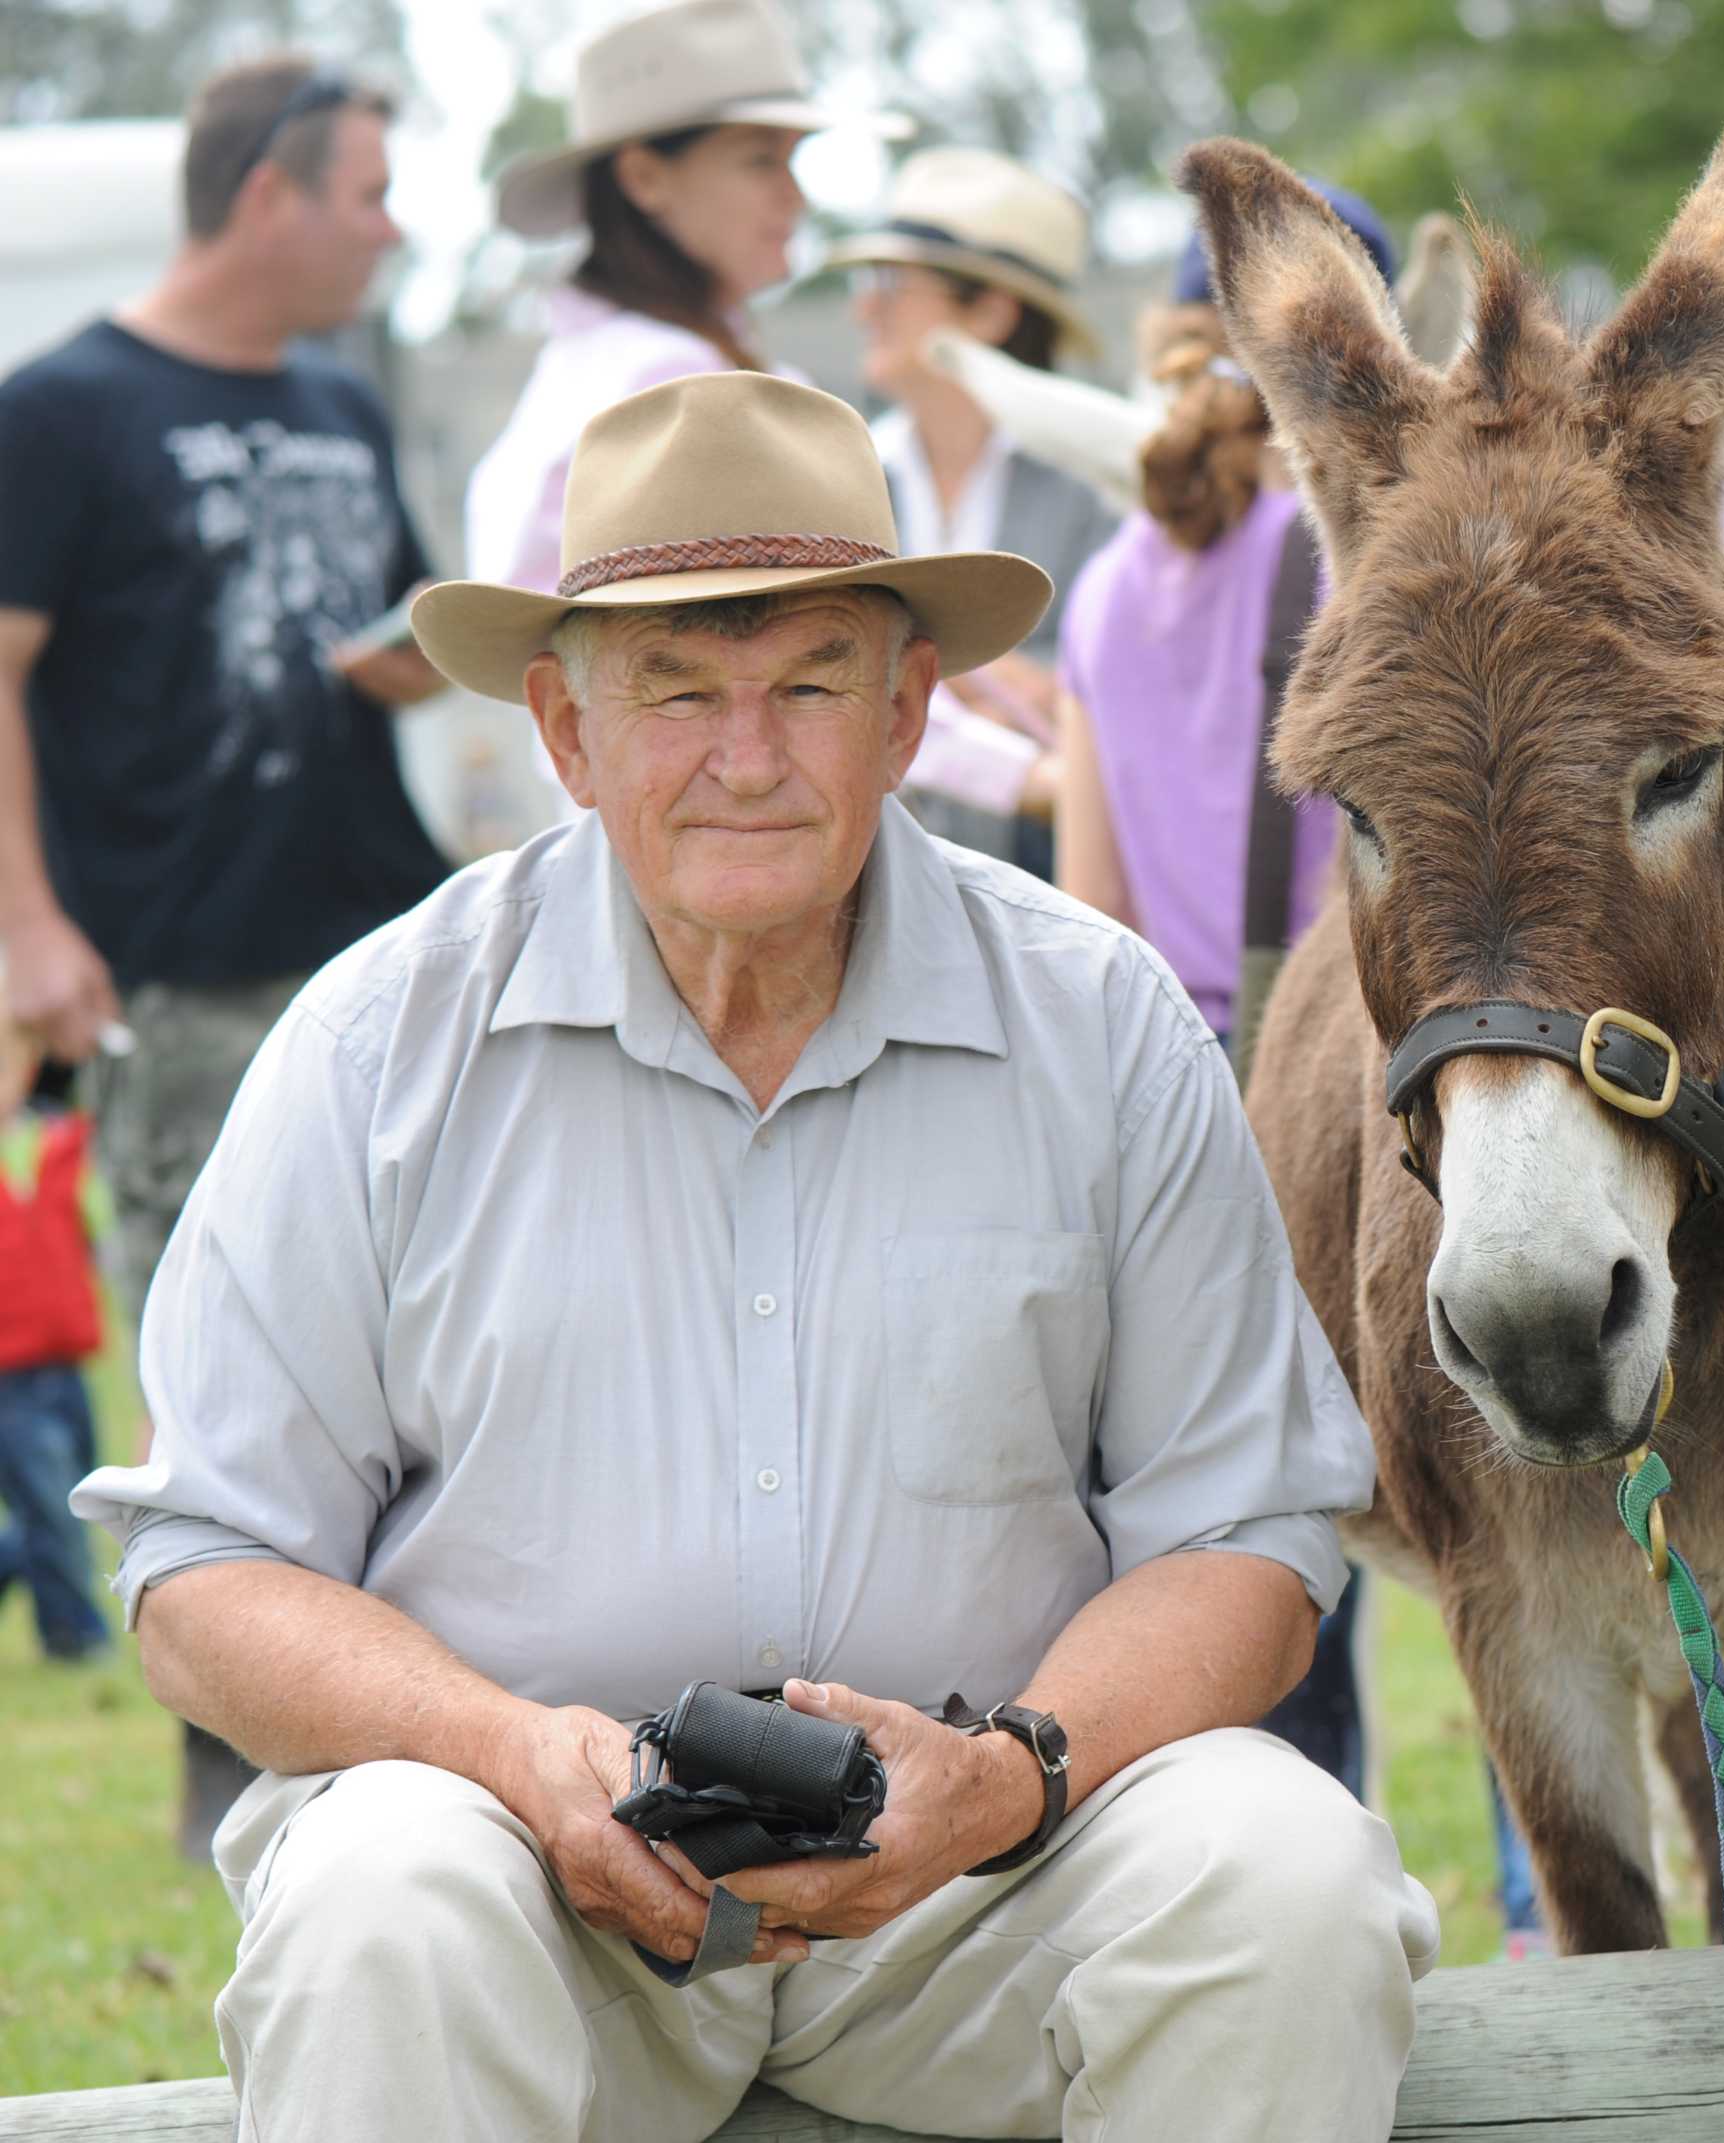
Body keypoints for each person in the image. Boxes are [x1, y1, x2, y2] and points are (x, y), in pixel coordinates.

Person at [72, 368, 1436, 2141]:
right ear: (563, 730)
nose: (746, 756)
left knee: (1285, 1873)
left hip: (983, 1884)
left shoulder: (1100, 1024)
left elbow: (1249, 1529)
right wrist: (508, 1752)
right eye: (676, 692)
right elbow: (208, 1570)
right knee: (382, 1896)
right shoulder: (376, 1042)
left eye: (808, 684)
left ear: (908, 709)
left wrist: (1007, 1776)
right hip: (529, 1882)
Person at [0, 54, 449, 1850]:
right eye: (366, 191)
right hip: (176, 977)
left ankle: (406, 1721)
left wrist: (428, 654)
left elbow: (395, 631)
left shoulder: (344, 404)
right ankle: (244, 1774)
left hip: (379, 956)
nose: (390, 227)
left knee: (418, 1355)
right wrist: (24, 920)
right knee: (228, 1376)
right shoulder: (60, 408)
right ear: (269, 196)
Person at [1055, 194, 1386, 1813]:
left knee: (1219, 1529)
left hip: (1161, 1099)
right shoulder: (1352, 558)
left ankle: (1239, 1838)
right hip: (1324, 1088)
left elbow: (1083, 899)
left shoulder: (1105, 583)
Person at [463, 0, 903, 599]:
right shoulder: (674, 381)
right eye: (760, 160)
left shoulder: (596, 360)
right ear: (644, 178)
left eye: (793, 159)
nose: (794, 196)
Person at [830, 147, 1123, 871]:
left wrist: (1041, 685)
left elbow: (1141, 685)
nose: (865, 305)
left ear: (991, 311)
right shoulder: (842, 475)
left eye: (894, 282)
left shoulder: (1101, 488)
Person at [0, 968, 112, 1665]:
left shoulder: (56, 1142)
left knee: (68, 1498)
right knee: (51, 1507)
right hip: (9, 1376)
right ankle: (77, 1636)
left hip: (66, 1361)